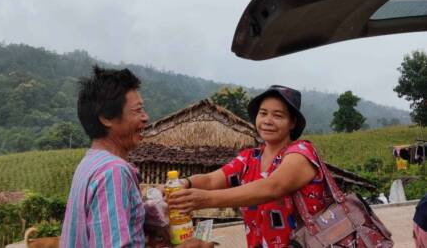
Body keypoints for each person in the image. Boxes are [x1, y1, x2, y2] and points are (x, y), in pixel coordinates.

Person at [60, 66, 213, 248]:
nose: (146, 117)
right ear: (106, 118)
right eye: (138, 110)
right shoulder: (113, 171)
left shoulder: (89, 163)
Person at [169, 85, 327, 248]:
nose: (267, 121)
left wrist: (206, 199)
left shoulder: (302, 153)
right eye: (263, 113)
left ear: (292, 123)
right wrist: (183, 183)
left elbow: (272, 187)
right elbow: (210, 180)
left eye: (278, 115)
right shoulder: (249, 158)